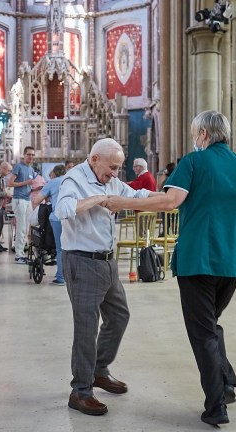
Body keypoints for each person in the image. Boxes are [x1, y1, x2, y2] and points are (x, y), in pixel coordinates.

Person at [104, 110, 236, 427]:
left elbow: (170, 201)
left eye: (194, 134)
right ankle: (225, 378)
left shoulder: (194, 162)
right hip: (233, 260)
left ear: (203, 134)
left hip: (199, 258)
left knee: (202, 331)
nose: (193, 139)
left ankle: (216, 405)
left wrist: (122, 203)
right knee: (209, 324)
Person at [54, 138, 155, 417]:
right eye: (112, 167)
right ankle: (81, 391)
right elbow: (60, 211)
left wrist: (168, 199)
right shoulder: (73, 180)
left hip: (107, 263)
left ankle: (98, 370)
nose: (115, 174)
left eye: (119, 168)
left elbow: (135, 196)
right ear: (95, 159)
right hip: (82, 262)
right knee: (87, 327)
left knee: (119, 315)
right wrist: (98, 199)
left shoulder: (111, 179)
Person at [32, 164, 67, 286]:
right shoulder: (71, 181)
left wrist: (49, 198)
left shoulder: (52, 183)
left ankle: (61, 278)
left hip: (57, 217)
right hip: (73, 217)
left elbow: (36, 201)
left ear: (54, 173)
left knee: (60, 248)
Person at [8, 146, 36, 264]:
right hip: (19, 200)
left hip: (28, 199)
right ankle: (18, 254)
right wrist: (26, 183)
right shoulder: (18, 167)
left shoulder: (31, 169)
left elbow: (29, 185)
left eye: (32, 155)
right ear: (24, 155)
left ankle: (22, 252)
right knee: (21, 227)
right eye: (29, 154)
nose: (31, 157)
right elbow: (11, 183)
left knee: (27, 227)